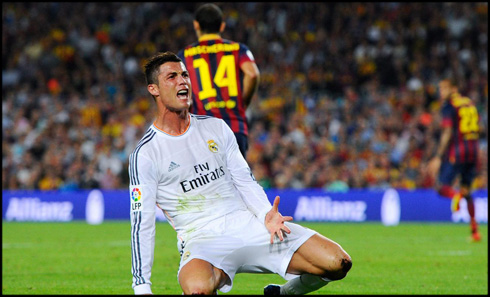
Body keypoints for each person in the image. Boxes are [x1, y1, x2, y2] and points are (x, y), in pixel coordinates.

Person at [129, 51, 352, 295]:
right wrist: (142, 287)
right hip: (202, 238)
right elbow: (142, 222)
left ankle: (283, 293)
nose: (183, 81)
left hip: (248, 224)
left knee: (338, 263)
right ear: (154, 89)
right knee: (197, 290)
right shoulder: (146, 153)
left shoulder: (215, 127)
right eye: (172, 77)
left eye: (184, 75)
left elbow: (244, 180)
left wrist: (266, 214)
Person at [177, 3, 260, 159]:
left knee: (207, 182)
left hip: (203, 131)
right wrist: (243, 104)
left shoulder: (185, 55)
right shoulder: (238, 49)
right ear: (222, 26)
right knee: (234, 181)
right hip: (235, 127)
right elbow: (252, 74)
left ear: (196, 25)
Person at [427, 78, 481, 242]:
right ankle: (475, 231)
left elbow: (448, 132)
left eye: (444, 89)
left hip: (458, 152)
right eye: (440, 89)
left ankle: (456, 196)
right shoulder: (469, 103)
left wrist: (437, 156)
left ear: (454, 88)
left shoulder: (450, 105)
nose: (441, 92)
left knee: (441, 186)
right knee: (468, 191)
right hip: (474, 151)